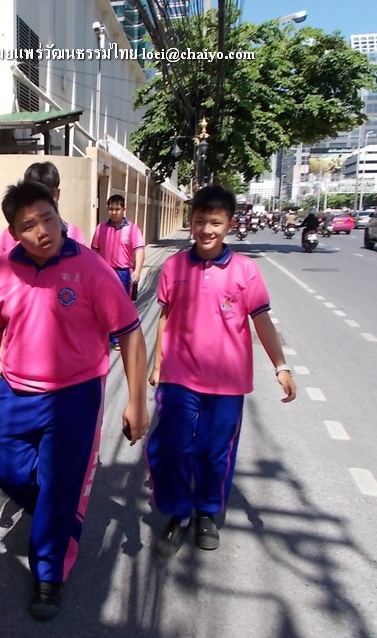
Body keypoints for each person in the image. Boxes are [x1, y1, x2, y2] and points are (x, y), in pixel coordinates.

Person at [0, 180, 148, 621]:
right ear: (14, 233)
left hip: (75, 394)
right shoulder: (2, 271)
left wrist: (137, 401)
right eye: (28, 225)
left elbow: (130, 332)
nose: (42, 231)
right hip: (15, 391)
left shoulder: (91, 268)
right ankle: (60, 510)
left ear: (59, 216)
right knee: (1, 466)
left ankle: (49, 575)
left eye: (48, 219)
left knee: (57, 484)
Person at [147, 185, 297, 553]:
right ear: (191, 222)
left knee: (214, 453)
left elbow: (262, 321)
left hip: (227, 382)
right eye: (200, 221)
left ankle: (207, 512)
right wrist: (157, 363)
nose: (206, 230)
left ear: (230, 224)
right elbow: (165, 316)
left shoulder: (245, 270)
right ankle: (178, 512)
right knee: (173, 447)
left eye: (215, 222)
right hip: (179, 375)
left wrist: (281, 365)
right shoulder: (174, 267)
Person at [0, 161, 86, 257]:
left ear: (58, 194)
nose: (42, 232)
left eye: (50, 193)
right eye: (36, 194)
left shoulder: (74, 233)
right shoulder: (5, 238)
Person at [90, 194, 145, 349]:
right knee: (101, 305)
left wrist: (137, 271)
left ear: (123, 209)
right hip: (104, 272)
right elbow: (94, 250)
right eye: (111, 209)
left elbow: (139, 250)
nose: (114, 212)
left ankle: (116, 338)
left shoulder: (132, 229)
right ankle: (102, 335)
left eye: (117, 209)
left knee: (119, 306)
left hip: (123, 273)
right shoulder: (101, 228)